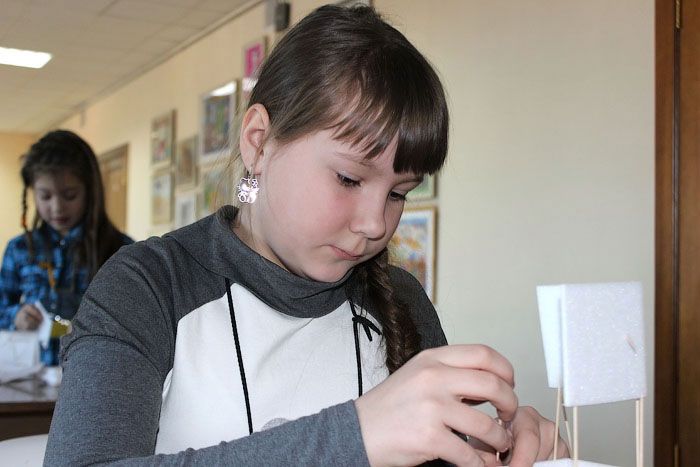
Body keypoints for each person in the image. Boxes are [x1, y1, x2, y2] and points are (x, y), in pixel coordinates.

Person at [45, 5, 568, 466]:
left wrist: (493, 448)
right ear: (258, 142)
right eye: (349, 179)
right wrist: (357, 437)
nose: (375, 225)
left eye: (398, 193)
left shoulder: (401, 299)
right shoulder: (147, 287)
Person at [0, 130, 133, 364]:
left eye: (70, 195)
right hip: (33, 375)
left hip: (95, 372)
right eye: (45, 196)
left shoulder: (120, 250)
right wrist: (16, 317)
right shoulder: (20, 249)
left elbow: (134, 320)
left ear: (90, 191)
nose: (57, 207)